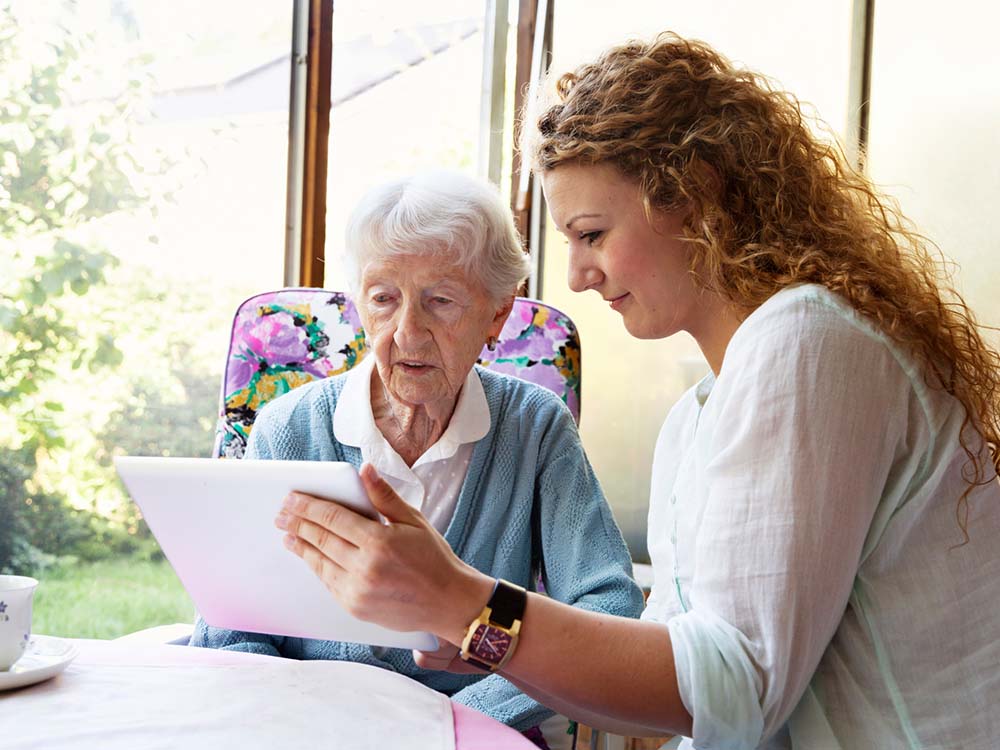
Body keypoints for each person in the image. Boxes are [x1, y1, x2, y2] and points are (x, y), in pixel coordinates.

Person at [272, 32, 1000, 750]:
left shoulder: (806, 342)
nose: (580, 276)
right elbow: (656, 690)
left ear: (695, 195)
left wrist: (464, 601)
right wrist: (478, 633)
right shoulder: (698, 418)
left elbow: (738, 688)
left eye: (591, 233)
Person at [189, 170, 645, 743]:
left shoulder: (535, 427)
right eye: (384, 299)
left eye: (441, 301)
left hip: (470, 732)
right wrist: (297, 720)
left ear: (497, 316)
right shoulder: (289, 427)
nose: (407, 333)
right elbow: (231, 621)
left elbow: (609, 608)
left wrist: (462, 717)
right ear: (360, 304)